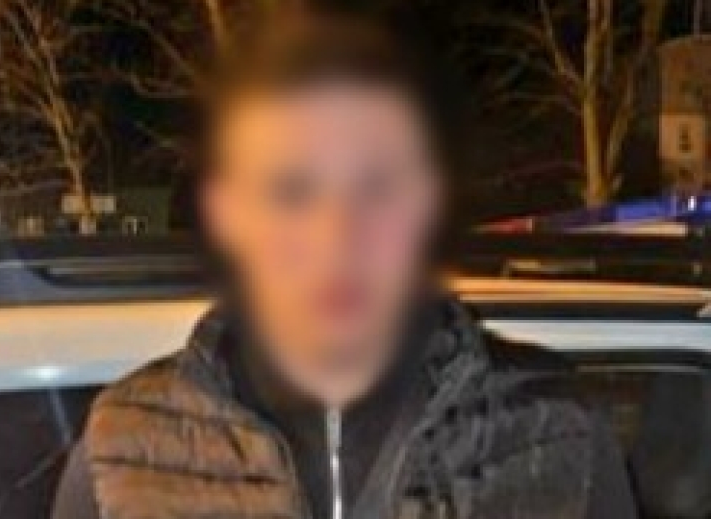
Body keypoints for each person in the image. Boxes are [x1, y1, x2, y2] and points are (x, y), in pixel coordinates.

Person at [52, 12, 636, 519]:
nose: (337, 236)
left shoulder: (558, 434)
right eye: (292, 190)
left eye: (377, 186)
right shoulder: (124, 451)